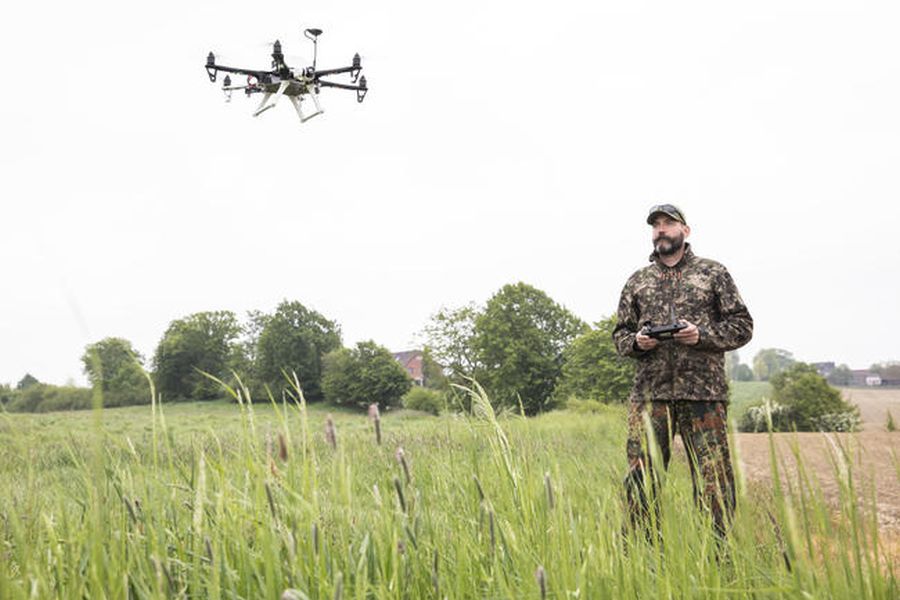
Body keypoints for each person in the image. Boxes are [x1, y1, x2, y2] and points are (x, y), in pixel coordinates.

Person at [613, 204, 753, 537]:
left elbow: (743, 325)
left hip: (703, 396)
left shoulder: (713, 273)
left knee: (714, 482)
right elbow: (619, 335)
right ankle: (641, 558)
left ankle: (717, 558)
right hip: (650, 397)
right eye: (656, 225)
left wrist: (701, 336)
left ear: (685, 231)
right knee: (640, 480)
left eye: (668, 223)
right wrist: (638, 342)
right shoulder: (637, 281)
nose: (661, 229)